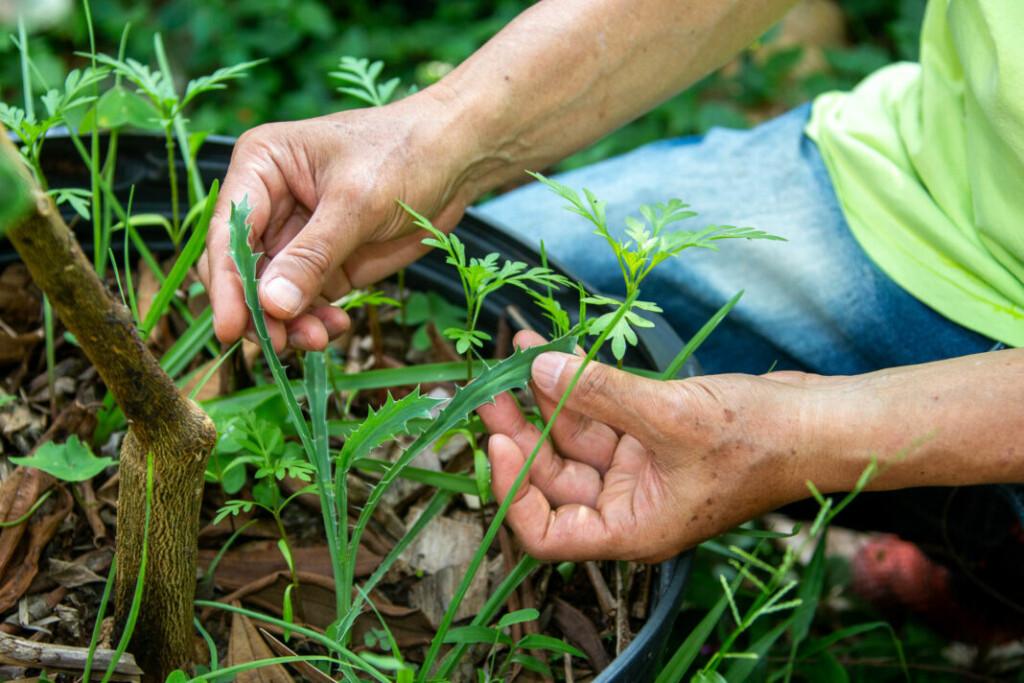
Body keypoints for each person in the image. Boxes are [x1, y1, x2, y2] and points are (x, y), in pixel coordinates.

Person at [198, 0, 1023, 605]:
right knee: (476, 284)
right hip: (915, 188)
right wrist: (435, 139)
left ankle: (986, 561)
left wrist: (802, 436)